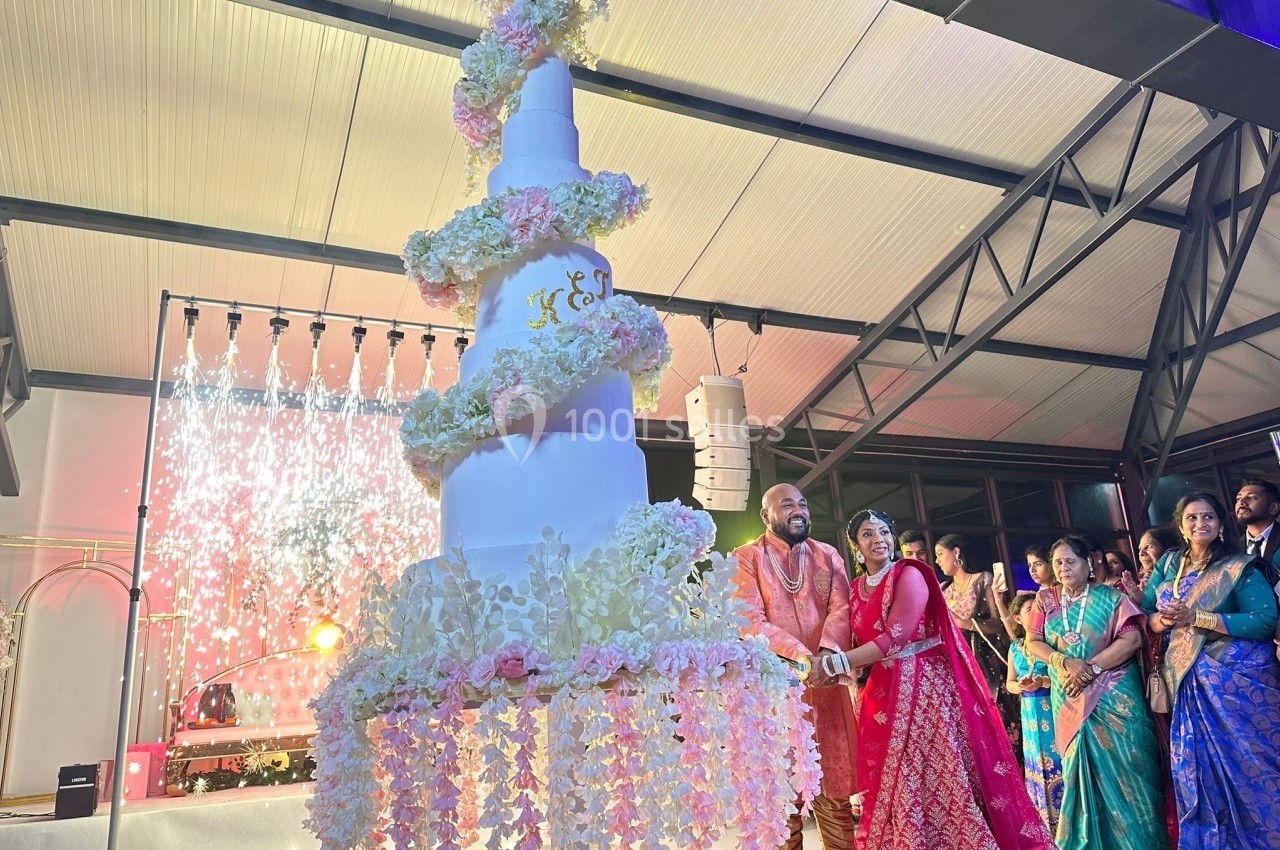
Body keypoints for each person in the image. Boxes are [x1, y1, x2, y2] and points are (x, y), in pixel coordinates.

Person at [833, 509, 1053, 850]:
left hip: (924, 688)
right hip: (882, 690)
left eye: (883, 532)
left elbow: (897, 636)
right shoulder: (857, 588)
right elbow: (854, 638)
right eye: (867, 534)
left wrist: (836, 662)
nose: (878, 539)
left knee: (932, 771)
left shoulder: (909, 574)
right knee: (896, 776)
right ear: (856, 547)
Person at [1142, 492, 1280, 849]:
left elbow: (1264, 620)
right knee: (1197, 768)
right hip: (1187, 681)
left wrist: (1198, 618)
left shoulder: (1238, 565)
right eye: (1192, 518)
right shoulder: (1170, 565)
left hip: (1233, 683)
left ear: (1220, 525)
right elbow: (1145, 616)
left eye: (1208, 517)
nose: (1200, 524)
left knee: (1250, 767)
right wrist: (1162, 621)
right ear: (1181, 525)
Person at [732, 483, 858, 849]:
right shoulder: (746, 558)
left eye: (802, 504)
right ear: (765, 515)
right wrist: (804, 658)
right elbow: (749, 620)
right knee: (783, 799)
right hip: (776, 691)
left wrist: (826, 657)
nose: (798, 511)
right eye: (787, 505)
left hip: (828, 686)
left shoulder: (827, 555)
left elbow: (843, 608)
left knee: (834, 794)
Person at [1025, 536, 1167, 850]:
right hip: (1069, 694)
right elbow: (1032, 642)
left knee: (1129, 770)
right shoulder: (1045, 600)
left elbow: (1131, 640)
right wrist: (1065, 661)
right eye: (1058, 562)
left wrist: (1090, 669)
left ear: (1089, 563)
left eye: (1070, 561)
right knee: (1079, 768)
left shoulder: (1112, 597)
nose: (1063, 568)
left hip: (1115, 694)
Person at [936, 534, 1020, 751]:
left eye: (940, 554)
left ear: (956, 553)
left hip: (985, 660)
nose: (937, 561)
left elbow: (997, 624)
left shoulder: (983, 579)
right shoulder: (943, 589)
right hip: (956, 663)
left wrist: (965, 623)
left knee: (1000, 719)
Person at [1005, 592, 1063, 835]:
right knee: (1035, 762)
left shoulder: (1049, 641)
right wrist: (1020, 686)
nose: (1035, 613)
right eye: (1029, 610)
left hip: (1052, 707)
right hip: (1029, 713)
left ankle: (1066, 821)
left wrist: (1042, 681)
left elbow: (1062, 676)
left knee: (1059, 758)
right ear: (1018, 619)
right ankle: (1044, 824)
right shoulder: (1015, 647)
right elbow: (1010, 682)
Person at [1235, 478, 1280, 586]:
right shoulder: (1233, 549)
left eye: (1252, 497)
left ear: (1273, 507)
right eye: (1238, 498)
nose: (1242, 502)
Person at [1134, 526, 1180, 591]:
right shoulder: (1140, 582)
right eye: (1140, 548)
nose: (1141, 553)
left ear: (1166, 548)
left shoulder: (1178, 575)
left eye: (1149, 546)